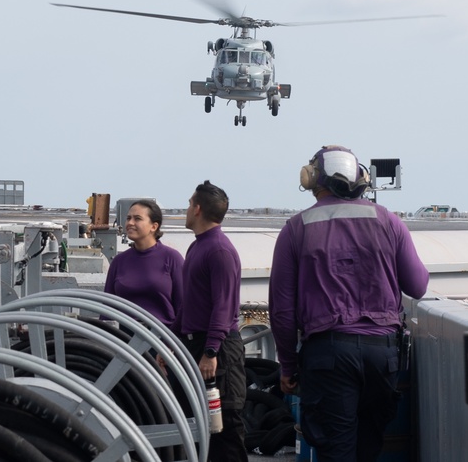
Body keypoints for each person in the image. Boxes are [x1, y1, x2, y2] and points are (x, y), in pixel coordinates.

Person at [268, 145, 430, 462]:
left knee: (335, 451)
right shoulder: (389, 221)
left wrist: (287, 367)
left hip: (328, 357)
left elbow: (282, 311)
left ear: (312, 178)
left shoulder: (296, 229)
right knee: (369, 448)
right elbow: (418, 286)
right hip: (382, 356)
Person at [174, 181, 247, 461]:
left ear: (198, 208)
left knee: (224, 428)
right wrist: (171, 343)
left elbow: (224, 306)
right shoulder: (197, 248)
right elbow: (190, 304)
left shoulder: (219, 250)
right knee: (197, 425)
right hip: (196, 345)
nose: (186, 209)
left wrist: (211, 351)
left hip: (218, 350)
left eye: (189, 204)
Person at [104, 199, 184, 328]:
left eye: (137, 219)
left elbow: (183, 306)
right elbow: (107, 309)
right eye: (128, 218)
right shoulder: (119, 261)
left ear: (154, 226)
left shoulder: (172, 258)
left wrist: (175, 343)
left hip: (162, 340)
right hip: (123, 341)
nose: (130, 223)